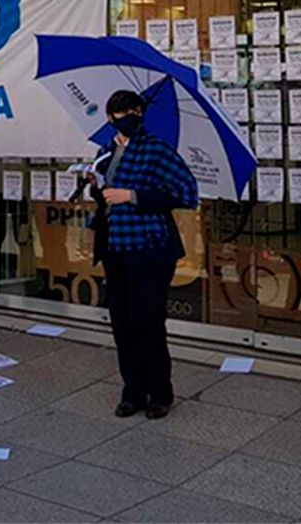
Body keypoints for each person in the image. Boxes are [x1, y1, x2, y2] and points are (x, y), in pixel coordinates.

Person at [90, 89, 199, 420]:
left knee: (148, 322)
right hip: (114, 246)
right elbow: (103, 196)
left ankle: (160, 392)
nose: (130, 118)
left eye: (135, 111)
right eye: (122, 113)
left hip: (149, 247)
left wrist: (132, 195)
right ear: (110, 118)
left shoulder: (157, 150)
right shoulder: (104, 152)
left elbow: (185, 192)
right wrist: (96, 187)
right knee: (122, 322)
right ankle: (132, 391)